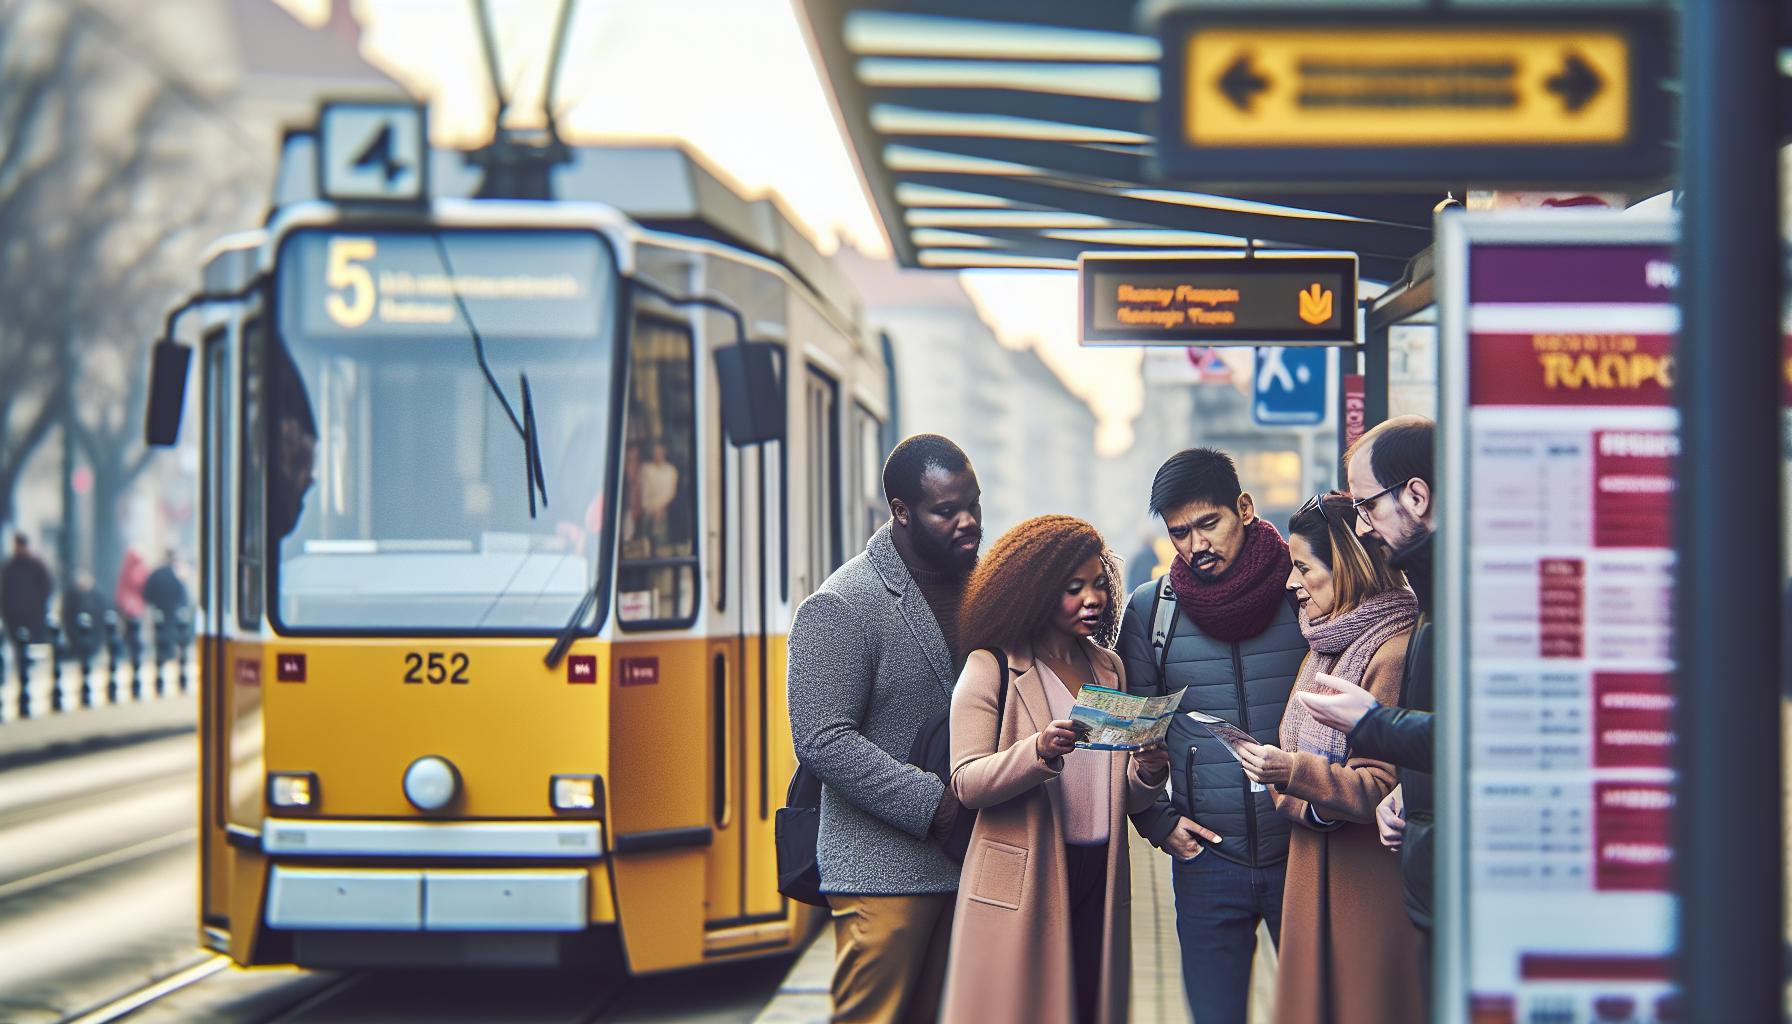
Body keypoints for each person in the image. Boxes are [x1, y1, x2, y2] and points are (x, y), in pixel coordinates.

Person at [940, 516, 1168, 1024]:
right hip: (1028, 874)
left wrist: (1147, 773)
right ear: (1036, 592)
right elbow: (967, 782)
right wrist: (1036, 752)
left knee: (1088, 1006)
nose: (1094, 599)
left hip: (1100, 872)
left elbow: (1117, 795)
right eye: (1073, 589)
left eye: (1099, 584)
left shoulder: (1109, 668)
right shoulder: (992, 666)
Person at [787, 434, 983, 1023]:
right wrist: (937, 804)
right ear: (900, 512)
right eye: (947, 511)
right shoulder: (842, 604)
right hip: (883, 872)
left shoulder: (983, 586)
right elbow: (822, 738)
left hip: (972, 862)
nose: (967, 521)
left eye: (973, 503)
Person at [1118, 447, 1307, 1024]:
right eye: (1180, 533)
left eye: (1209, 523)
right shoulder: (1152, 613)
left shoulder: (1303, 594)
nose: (1197, 545)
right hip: (1208, 862)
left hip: (1306, 850)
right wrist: (1158, 824)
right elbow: (1131, 739)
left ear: (1244, 508)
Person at [1235, 493, 1422, 1024]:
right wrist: (1290, 779)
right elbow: (1290, 761)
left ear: (1345, 566)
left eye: (1303, 567)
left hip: (1363, 889)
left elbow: (1381, 784)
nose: (1291, 583)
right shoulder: (1324, 645)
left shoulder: (1394, 650)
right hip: (1313, 871)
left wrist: (1291, 774)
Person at [1295, 416, 1439, 995]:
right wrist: (1413, 792)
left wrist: (1373, 725)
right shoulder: (1435, 593)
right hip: (1432, 877)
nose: (1362, 526)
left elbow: (1489, 735)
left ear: (1417, 495)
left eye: (1367, 506)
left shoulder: (1461, 594)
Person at [2, 532, 53, 647]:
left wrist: (39, 607)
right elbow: (5, 592)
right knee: (19, 648)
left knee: (33, 647)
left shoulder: (37, 565)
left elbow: (47, 588)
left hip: (33, 617)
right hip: (14, 617)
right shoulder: (9, 567)